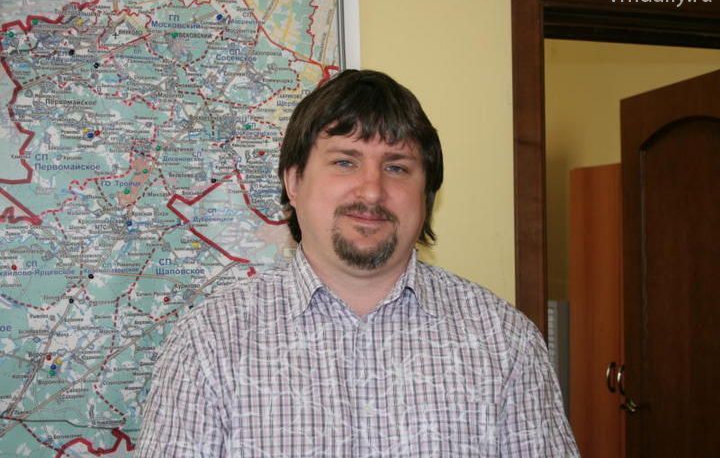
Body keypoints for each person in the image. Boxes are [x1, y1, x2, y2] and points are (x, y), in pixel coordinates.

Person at [135, 69, 579, 456]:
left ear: (426, 196)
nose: (371, 190)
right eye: (345, 162)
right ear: (294, 182)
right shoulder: (209, 344)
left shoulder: (506, 343)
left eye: (397, 167)